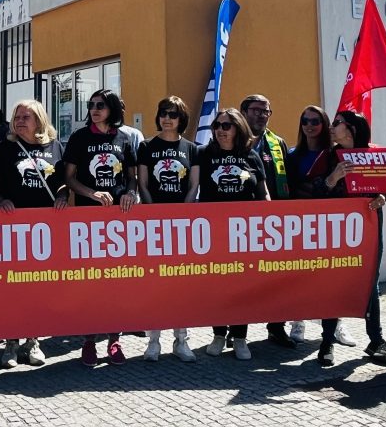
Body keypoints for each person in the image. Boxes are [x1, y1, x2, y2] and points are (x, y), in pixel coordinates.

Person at [0, 99, 67, 367]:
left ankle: (33, 340)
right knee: (13, 288)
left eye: (26, 117)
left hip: (46, 231)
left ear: (40, 121)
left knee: (38, 288)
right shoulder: (4, 149)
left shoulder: (55, 147)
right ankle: (11, 342)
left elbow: (64, 182)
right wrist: (0, 202)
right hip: (13, 229)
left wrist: (63, 195)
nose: (20, 121)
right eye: (17, 116)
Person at [63, 89, 139, 366]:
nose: (95, 109)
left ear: (113, 109)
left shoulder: (125, 138)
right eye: (92, 105)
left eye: (101, 106)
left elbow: (131, 178)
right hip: (88, 221)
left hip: (118, 221)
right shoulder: (80, 137)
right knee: (91, 282)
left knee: (116, 282)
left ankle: (114, 339)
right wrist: (92, 193)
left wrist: (131, 193)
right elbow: (69, 178)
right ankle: (89, 340)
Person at [314, 111, 386, 367]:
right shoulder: (328, 156)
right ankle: (326, 342)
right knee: (334, 282)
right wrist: (334, 177)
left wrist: (383, 197)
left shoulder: (375, 153)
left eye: (337, 124)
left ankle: (376, 340)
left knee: (370, 281)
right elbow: (314, 192)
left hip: (369, 227)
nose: (331, 128)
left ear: (352, 129)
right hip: (337, 230)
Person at [193, 108, 266, 361]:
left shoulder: (251, 156)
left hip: (243, 235)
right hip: (214, 234)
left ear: (238, 128)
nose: (221, 130)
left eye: (227, 126)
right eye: (217, 125)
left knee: (241, 287)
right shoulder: (204, 154)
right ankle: (218, 334)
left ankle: (240, 337)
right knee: (218, 287)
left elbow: (262, 194)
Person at [137, 95, 199, 362]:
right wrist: (153, 212)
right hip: (153, 223)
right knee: (155, 285)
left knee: (181, 286)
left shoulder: (192, 148)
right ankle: (153, 340)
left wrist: (182, 212)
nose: (167, 118)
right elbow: (142, 183)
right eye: (163, 113)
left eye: (173, 114)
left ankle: (181, 339)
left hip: (182, 224)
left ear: (181, 118)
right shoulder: (146, 146)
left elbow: (194, 185)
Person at [240, 94, 299, 349]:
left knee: (276, 278)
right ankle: (236, 329)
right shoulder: (231, 139)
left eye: (266, 111)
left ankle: (276, 327)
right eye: (256, 110)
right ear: (243, 112)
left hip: (273, 224)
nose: (262, 115)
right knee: (241, 279)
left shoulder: (278, 143)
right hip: (240, 224)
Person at [284, 105, 332, 344]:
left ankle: (334, 325)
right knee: (299, 276)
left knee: (329, 278)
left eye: (315, 121)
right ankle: (297, 321)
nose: (309, 125)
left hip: (329, 225)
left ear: (324, 124)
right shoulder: (292, 155)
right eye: (305, 121)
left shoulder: (334, 154)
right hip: (299, 223)